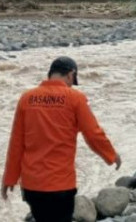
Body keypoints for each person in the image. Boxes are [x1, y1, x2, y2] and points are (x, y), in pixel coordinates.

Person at [2, 56, 121, 222]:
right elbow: (93, 133)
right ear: (71, 75)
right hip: (60, 184)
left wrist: (9, 178)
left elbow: (16, 143)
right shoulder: (75, 99)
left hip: (32, 186)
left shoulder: (27, 99)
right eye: (73, 80)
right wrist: (111, 155)